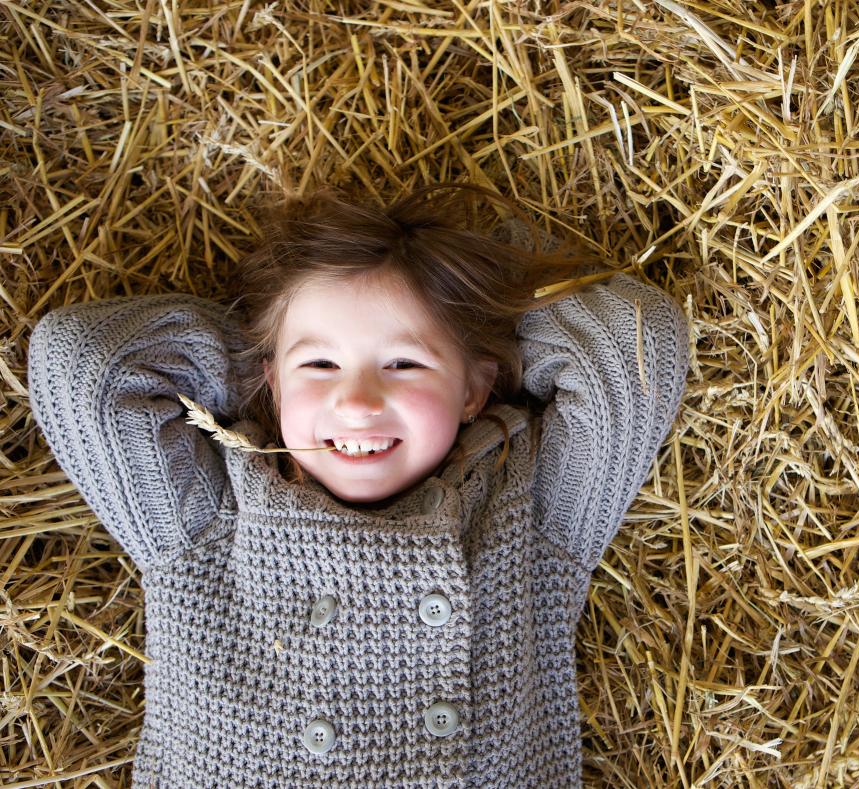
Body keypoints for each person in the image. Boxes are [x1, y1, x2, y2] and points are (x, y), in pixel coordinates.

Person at [27, 185, 689, 787]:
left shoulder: (526, 515)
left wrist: (483, 289)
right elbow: (84, 363)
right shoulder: (207, 520)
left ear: (474, 388)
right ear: (273, 380)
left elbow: (637, 348)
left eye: (403, 362)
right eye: (320, 362)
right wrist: (270, 360)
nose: (358, 399)